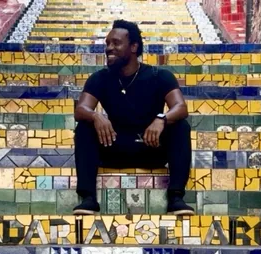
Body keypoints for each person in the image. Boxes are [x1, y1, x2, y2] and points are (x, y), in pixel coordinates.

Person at [72, 19, 194, 216]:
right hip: (114, 146)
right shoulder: (100, 78)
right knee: (84, 128)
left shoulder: (159, 76)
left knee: (181, 127)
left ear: (134, 47)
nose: (109, 48)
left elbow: (180, 107)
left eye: (116, 43)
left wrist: (161, 118)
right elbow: (80, 110)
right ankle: (88, 199)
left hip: (151, 147)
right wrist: (95, 116)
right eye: (107, 44)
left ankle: (176, 198)